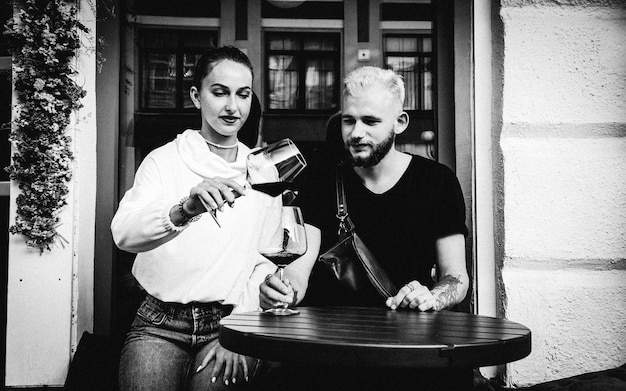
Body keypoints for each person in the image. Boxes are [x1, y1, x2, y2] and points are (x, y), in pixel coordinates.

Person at [260, 66, 473, 390]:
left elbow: (457, 278)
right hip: (328, 359)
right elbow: (298, 273)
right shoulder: (321, 180)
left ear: (400, 122)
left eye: (370, 121)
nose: (356, 132)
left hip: (410, 356)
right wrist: (282, 291)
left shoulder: (436, 181)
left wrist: (432, 298)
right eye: (349, 120)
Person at [112, 46, 280, 391]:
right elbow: (124, 235)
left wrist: (239, 331)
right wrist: (184, 209)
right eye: (219, 92)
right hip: (159, 323)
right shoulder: (164, 160)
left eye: (243, 95)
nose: (232, 106)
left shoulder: (264, 171)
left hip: (230, 323)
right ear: (196, 96)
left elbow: (266, 260)